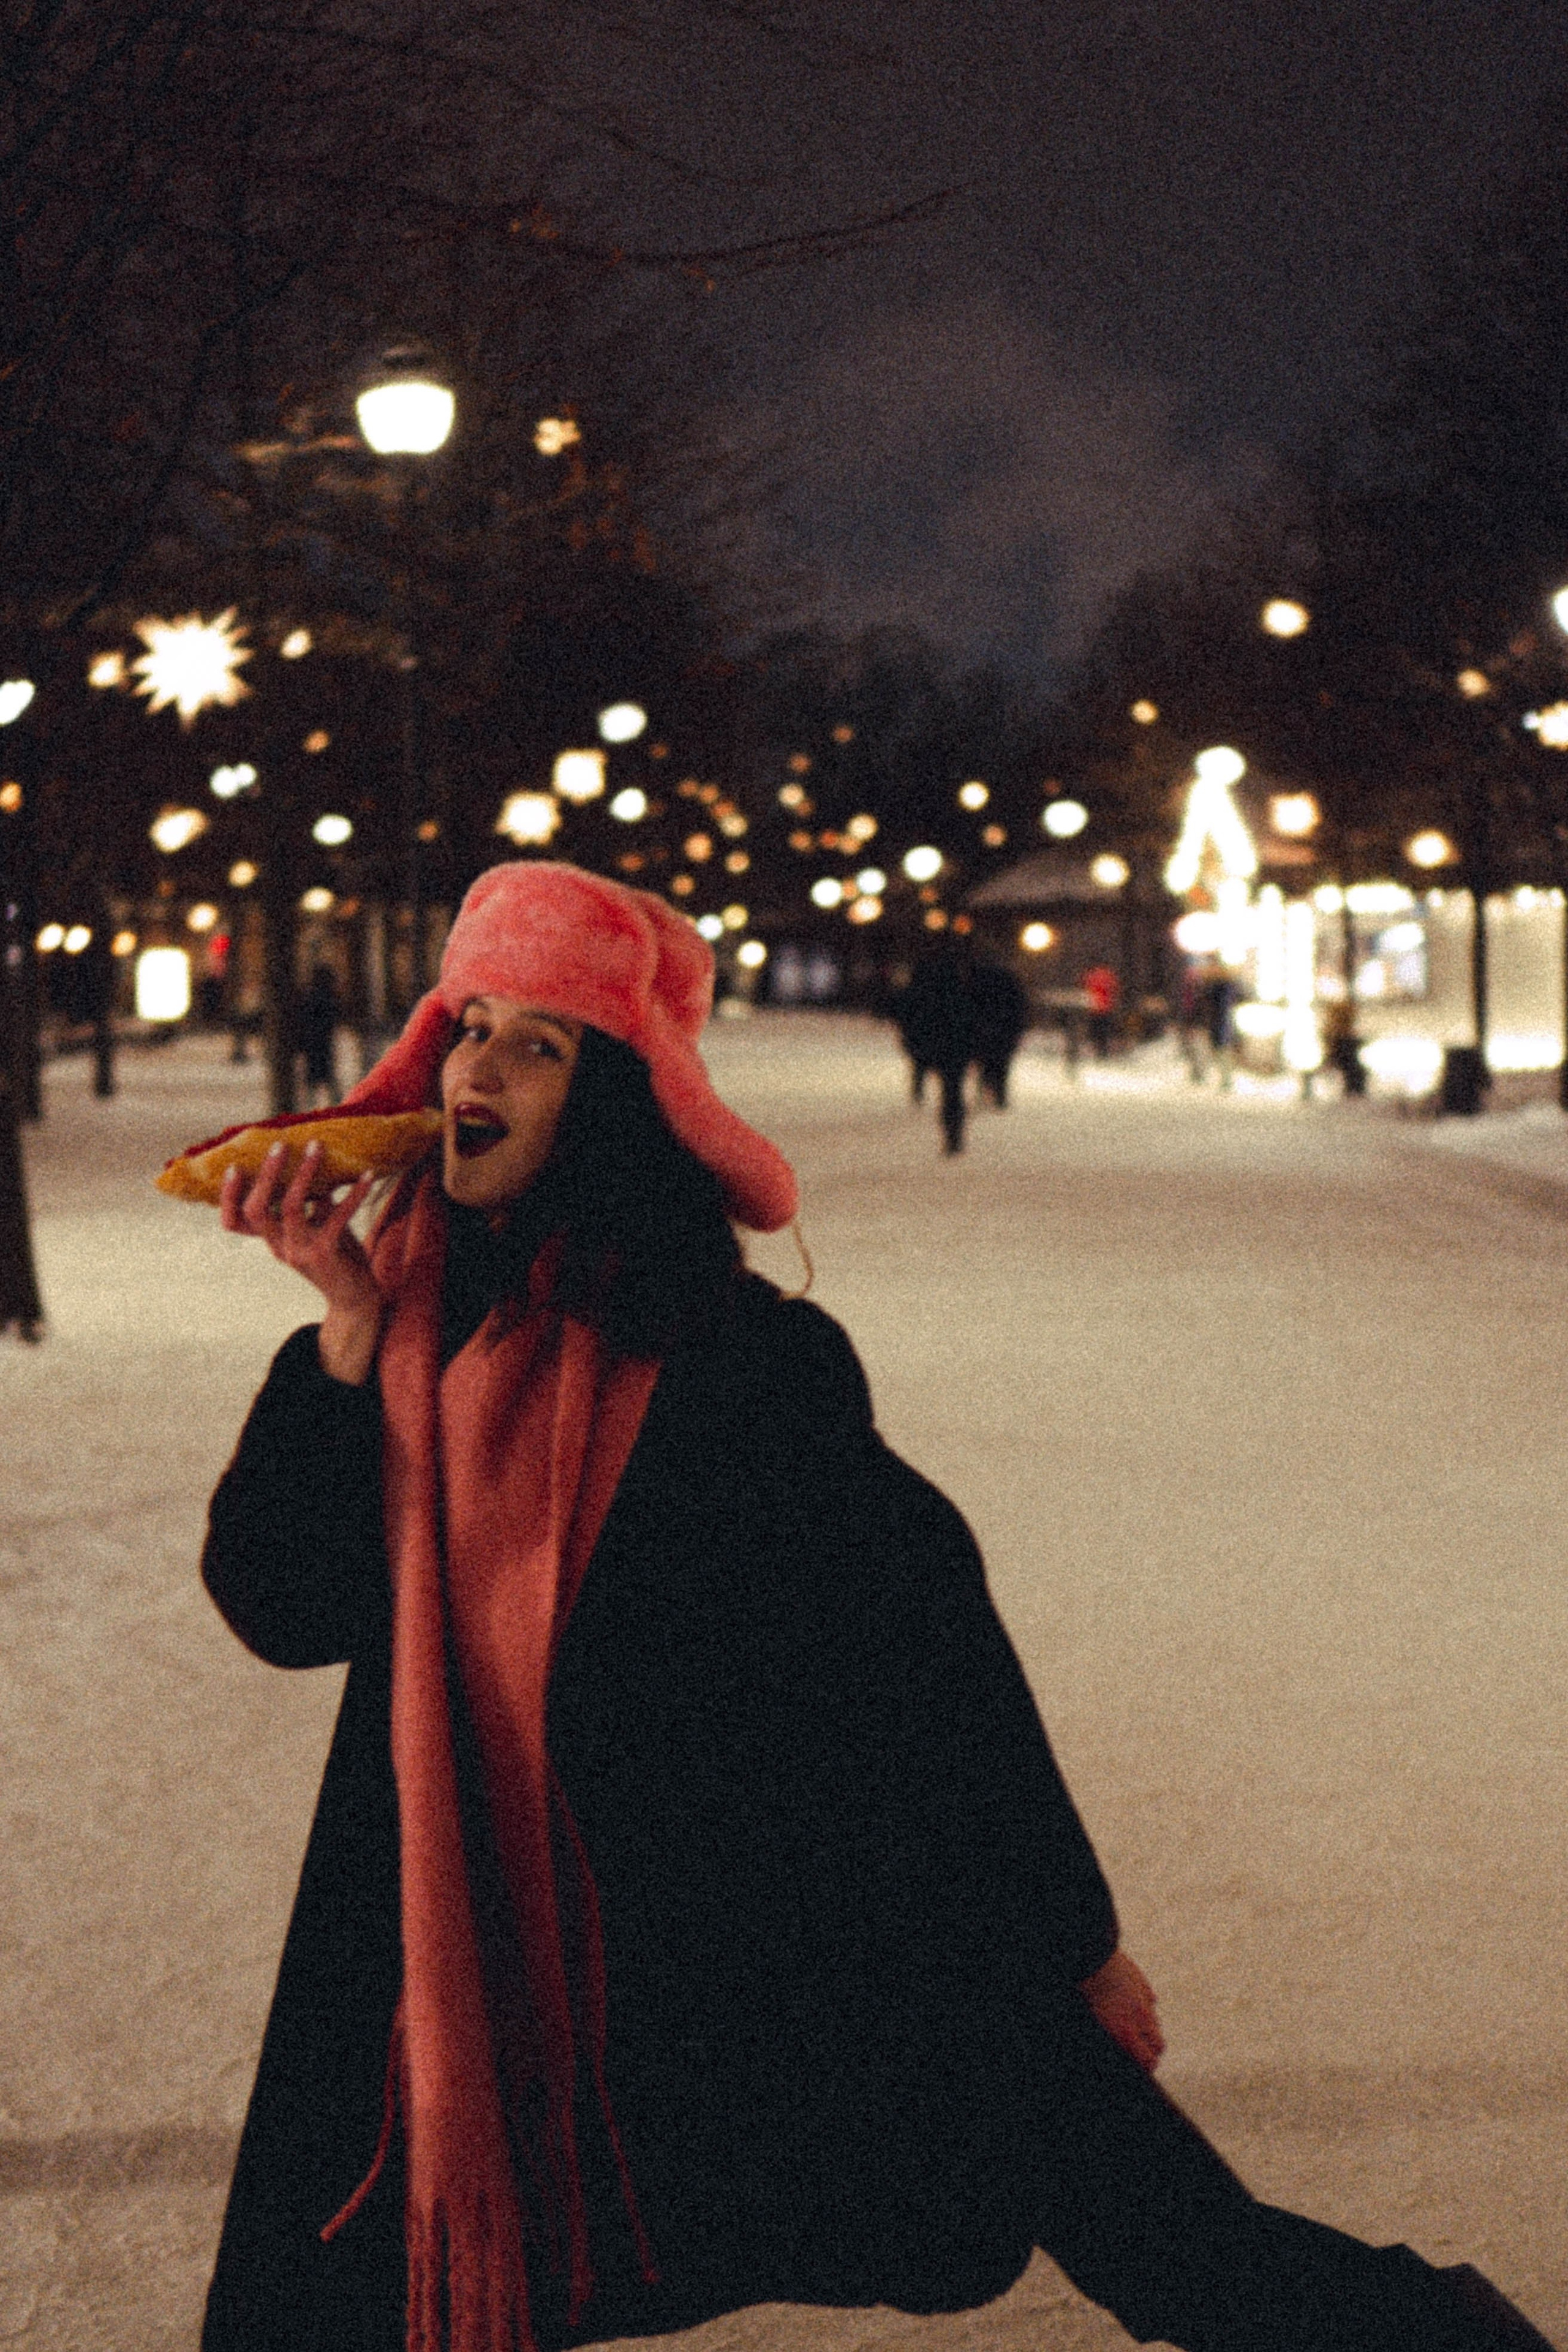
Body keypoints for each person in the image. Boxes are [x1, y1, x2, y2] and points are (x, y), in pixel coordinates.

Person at [197, 861, 1553, 2352]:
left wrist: (1068, 1940)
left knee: (1181, 2246)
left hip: (788, 1933)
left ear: (616, 1100)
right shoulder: (381, 1341)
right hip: (479, 1962)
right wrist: (338, 1325)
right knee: (318, 2303)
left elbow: (928, 1654)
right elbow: (281, 1602)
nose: (481, 1067)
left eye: (544, 1042)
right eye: (472, 1025)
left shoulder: (736, 1361)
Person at [892, 940, 978, 1153]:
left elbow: (907, 1010)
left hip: (933, 1040)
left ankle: (951, 1129)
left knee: (947, 1087)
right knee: (953, 1089)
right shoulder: (964, 984)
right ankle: (954, 1133)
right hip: (956, 1043)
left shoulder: (923, 981)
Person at [968, 954, 1031, 1108]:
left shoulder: (978, 980)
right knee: (1002, 1063)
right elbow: (1020, 1006)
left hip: (984, 1026)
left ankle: (986, 1089)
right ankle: (1000, 1095)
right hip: (1006, 1028)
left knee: (985, 1060)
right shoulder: (1011, 981)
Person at [297, 963, 342, 1107]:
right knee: (328, 1078)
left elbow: (303, 1019)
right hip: (324, 1043)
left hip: (312, 1043)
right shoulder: (329, 997)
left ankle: (310, 1109)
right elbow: (333, 1018)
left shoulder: (309, 996)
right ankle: (338, 1105)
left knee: (313, 1080)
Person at [1081, 962, 1121, 1060]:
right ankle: (1104, 1050)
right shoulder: (1109, 975)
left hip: (1095, 1008)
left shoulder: (1091, 976)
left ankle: (1098, 1049)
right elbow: (1115, 989)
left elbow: (1087, 988)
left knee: (1096, 1031)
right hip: (1107, 1008)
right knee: (1104, 1031)